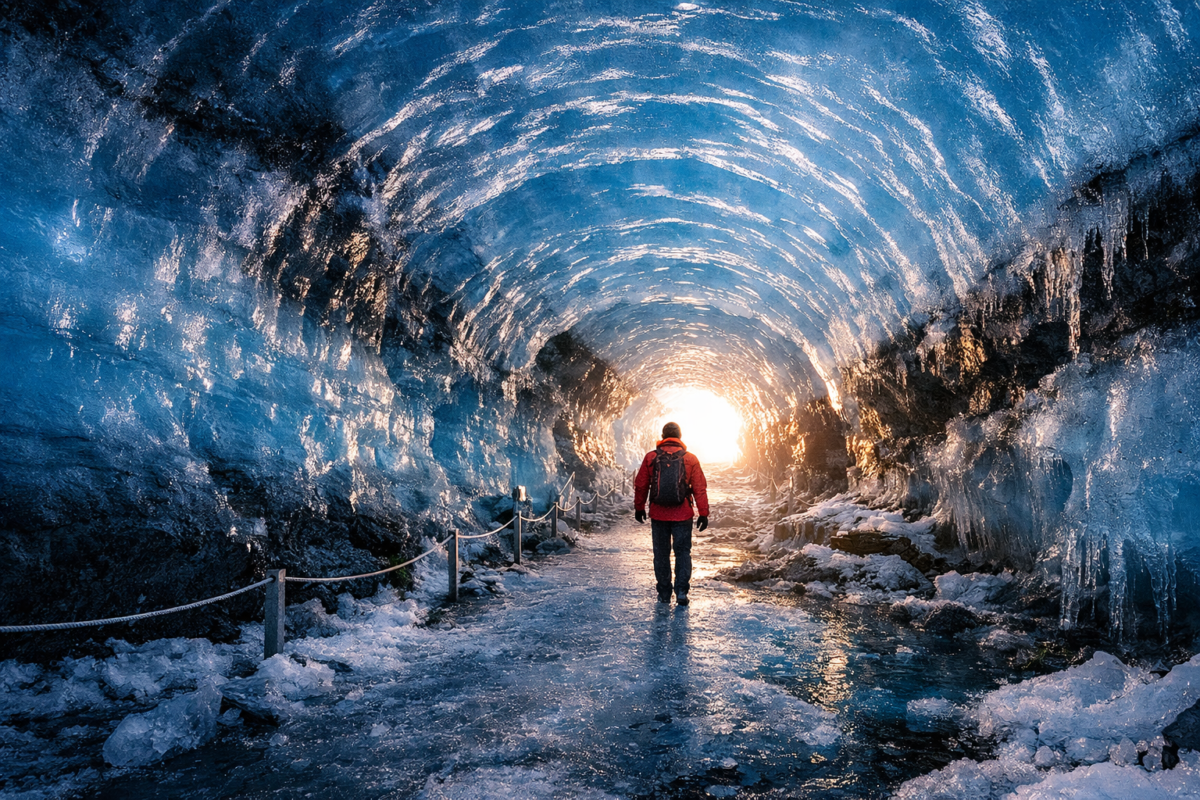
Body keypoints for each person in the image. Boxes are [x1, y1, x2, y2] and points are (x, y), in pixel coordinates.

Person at [633, 422, 709, 605]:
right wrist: (703, 513)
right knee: (683, 552)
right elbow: (700, 488)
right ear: (679, 438)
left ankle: (664, 593)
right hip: (683, 514)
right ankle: (682, 591)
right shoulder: (690, 459)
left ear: (663, 436)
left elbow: (641, 484)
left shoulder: (651, 457)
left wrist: (639, 507)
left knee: (661, 553)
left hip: (659, 514)